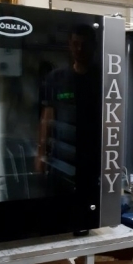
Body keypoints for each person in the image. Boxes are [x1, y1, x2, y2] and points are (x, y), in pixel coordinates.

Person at [37, 24, 101, 194]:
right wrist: (41, 154)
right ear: (70, 46)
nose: (79, 49)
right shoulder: (56, 78)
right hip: (62, 158)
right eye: (75, 44)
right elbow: (47, 117)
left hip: (93, 159)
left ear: (93, 46)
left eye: (84, 44)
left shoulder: (103, 78)